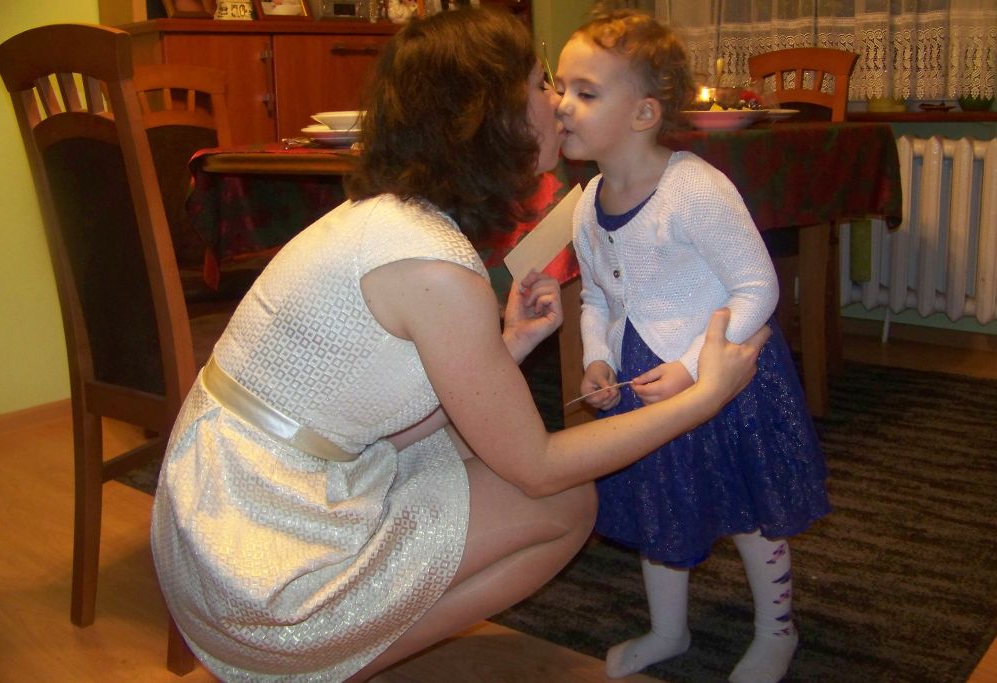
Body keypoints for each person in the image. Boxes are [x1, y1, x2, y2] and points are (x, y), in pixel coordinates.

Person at [149, 7, 770, 683]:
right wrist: (702, 398)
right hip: (260, 563)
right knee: (566, 502)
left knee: (475, 446)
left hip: (213, 511)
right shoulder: (437, 268)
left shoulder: (383, 217)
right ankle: (324, 661)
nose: (556, 103)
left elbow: (375, 405)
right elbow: (539, 468)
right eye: (539, 85)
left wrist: (507, 342)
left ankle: (331, 645)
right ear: (490, 118)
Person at [554, 10, 830, 683]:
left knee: (749, 509)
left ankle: (777, 630)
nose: (561, 105)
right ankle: (668, 630)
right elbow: (597, 298)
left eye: (585, 92)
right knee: (662, 501)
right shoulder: (586, 203)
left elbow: (757, 286)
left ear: (644, 112)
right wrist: (596, 357)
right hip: (644, 383)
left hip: (724, 378)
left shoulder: (694, 189)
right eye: (559, 87)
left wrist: (690, 369)